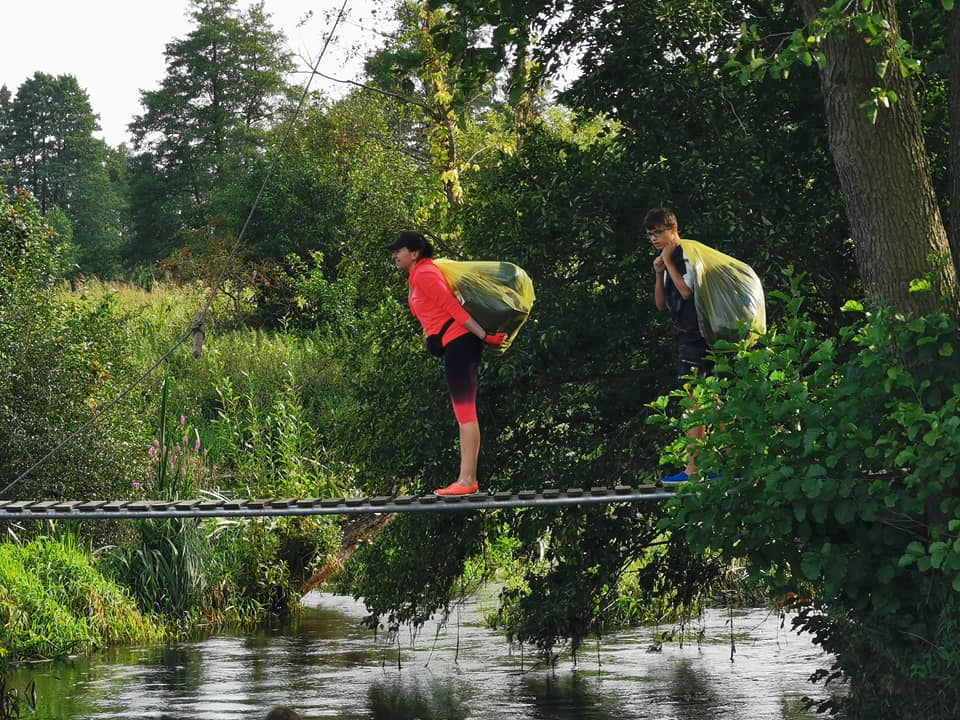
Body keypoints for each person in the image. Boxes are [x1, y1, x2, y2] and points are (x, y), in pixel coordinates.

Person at [387, 231, 506, 495]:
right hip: (455, 344)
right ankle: (467, 479)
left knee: (465, 412)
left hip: (461, 343)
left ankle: (467, 480)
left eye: (399, 250)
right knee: (463, 412)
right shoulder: (418, 275)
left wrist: (484, 336)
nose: (394, 255)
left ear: (414, 253)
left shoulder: (426, 274)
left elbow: (454, 309)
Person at [647, 207, 712, 484]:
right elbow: (661, 304)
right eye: (650, 234)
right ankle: (720, 464)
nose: (655, 238)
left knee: (695, 401)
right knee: (712, 400)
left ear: (674, 230)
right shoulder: (668, 259)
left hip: (697, 336)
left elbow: (686, 291)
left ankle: (693, 470)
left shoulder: (684, 253)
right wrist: (659, 272)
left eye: (660, 232)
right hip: (686, 336)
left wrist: (669, 264)